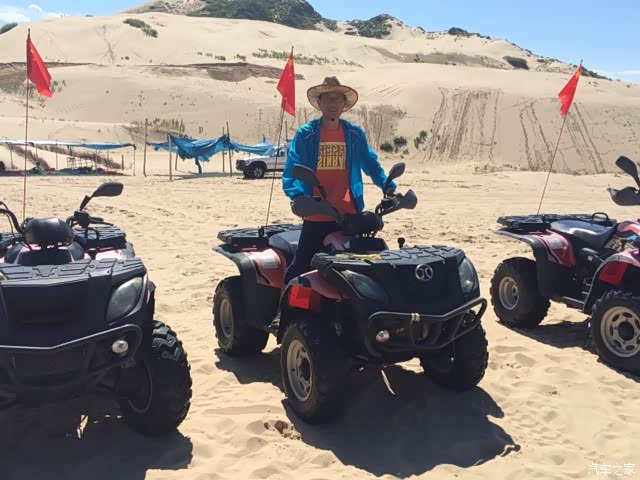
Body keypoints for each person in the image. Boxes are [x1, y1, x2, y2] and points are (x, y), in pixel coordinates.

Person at [282, 76, 396, 285]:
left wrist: (388, 186)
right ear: (320, 102)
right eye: (327, 98)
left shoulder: (354, 134)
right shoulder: (306, 134)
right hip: (317, 214)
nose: (332, 103)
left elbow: (371, 163)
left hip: (350, 216)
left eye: (337, 98)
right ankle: (282, 305)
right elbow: (293, 169)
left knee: (365, 270)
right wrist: (297, 195)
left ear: (344, 104)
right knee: (301, 265)